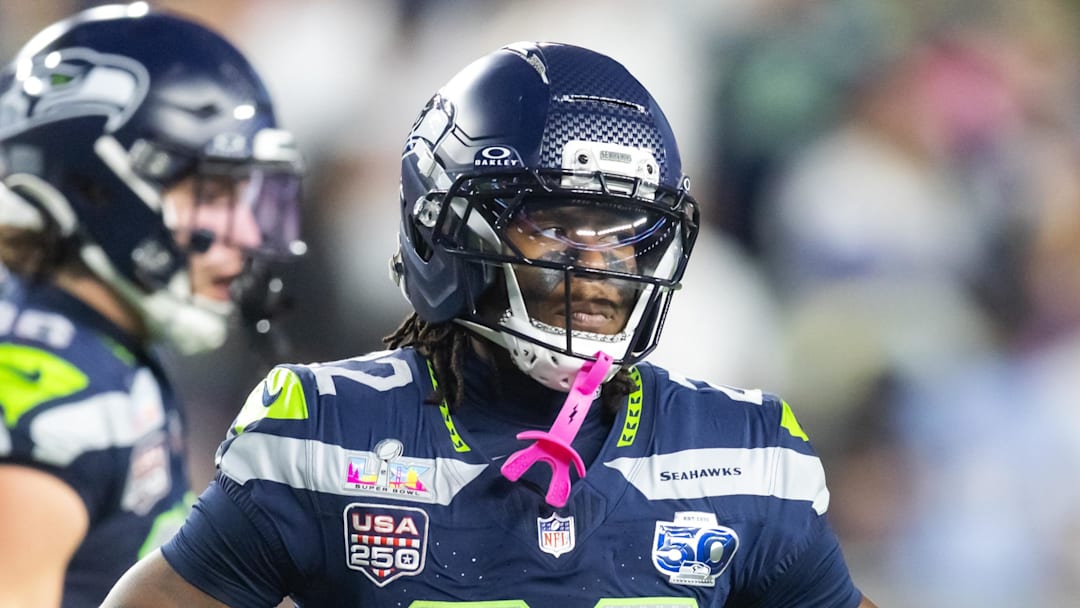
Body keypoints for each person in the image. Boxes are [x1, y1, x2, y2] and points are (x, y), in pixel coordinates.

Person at [103, 41, 876, 607]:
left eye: (627, 229)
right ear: (447, 231)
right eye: (558, 222)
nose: (599, 262)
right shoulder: (325, 434)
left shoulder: (745, 454)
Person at [0, 3, 303, 607]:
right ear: (98, 184)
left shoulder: (100, 346)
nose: (245, 231)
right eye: (211, 191)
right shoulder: (51, 395)